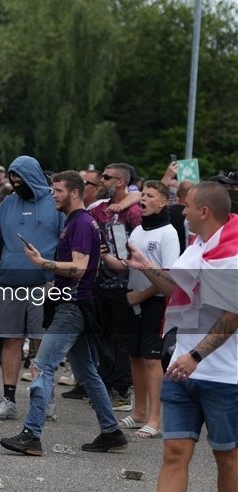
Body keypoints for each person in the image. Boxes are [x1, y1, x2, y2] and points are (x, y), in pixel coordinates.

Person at [123, 181, 237, 492]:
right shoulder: (196, 246)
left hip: (224, 374)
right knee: (173, 451)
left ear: (204, 211)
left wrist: (196, 356)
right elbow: (181, 292)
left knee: (227, 459)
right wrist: (148, 267)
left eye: (186, 207)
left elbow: (233, 314)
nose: (181, 211)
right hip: (182, 369)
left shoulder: (233, 252)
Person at [0, 170, 128, 456]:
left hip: (73, 307)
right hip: (74, 304)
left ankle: (31, 435)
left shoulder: (81, 223)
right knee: (87, 372)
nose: (52, 195)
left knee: (42, 367)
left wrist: (43, 262)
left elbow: (80, 268)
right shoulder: (76, 222)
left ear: (73, 192)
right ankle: (112, 432)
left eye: (57, 190)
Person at [0, 156, 64, 421]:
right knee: (10, 340)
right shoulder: (7, 203)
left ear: (34, 177)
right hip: (9, 282)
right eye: (13, 181)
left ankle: (45, 397)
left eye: (21, 181)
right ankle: (8, 400)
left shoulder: (55, 204)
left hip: (45, 283)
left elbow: (66, 241)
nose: (17, 185)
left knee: (43, 343)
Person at [102, 180, 180, 439]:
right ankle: (139, 412)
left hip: (155, 302)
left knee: (151, 359)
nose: (143, 199)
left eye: (150, 195)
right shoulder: (136, 231)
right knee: (134, 356)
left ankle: (155, 420)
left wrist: (142, 295)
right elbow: (127, 266)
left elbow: (169, 280)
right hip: (133, 300)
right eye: (142, 195)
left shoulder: (168, 233)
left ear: (163, 202)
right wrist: (105, 256)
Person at [83, 162, 144, 408]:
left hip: (125, 283)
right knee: (103, 338)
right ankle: (105, 386)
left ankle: (121, 390)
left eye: (107, 178)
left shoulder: (135, 212)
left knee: (121, 339)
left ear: (120, 182)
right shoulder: (100, 209)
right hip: (100, 282)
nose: (102, 181)